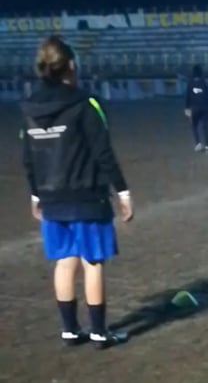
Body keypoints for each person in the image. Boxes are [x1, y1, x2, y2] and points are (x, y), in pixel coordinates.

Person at [21, 35, 133, 349]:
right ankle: (98, 331)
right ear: (71, 65)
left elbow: (28, 157)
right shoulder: (86, 103)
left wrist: (36, 194)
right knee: (92, 262)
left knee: (64, 261)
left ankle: (70, 329)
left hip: (51, 198)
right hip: (87, 196)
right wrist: (123, 191)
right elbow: (103, 152)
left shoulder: (29, 107)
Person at [184, 65, 208, 152]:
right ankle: (207, 145)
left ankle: (198, 143)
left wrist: (187, 108)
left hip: (195, 108)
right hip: (205, 107)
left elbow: (187, 96)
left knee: (194, 126)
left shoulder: (190, 83)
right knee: (205, 127)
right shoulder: (204, 83)